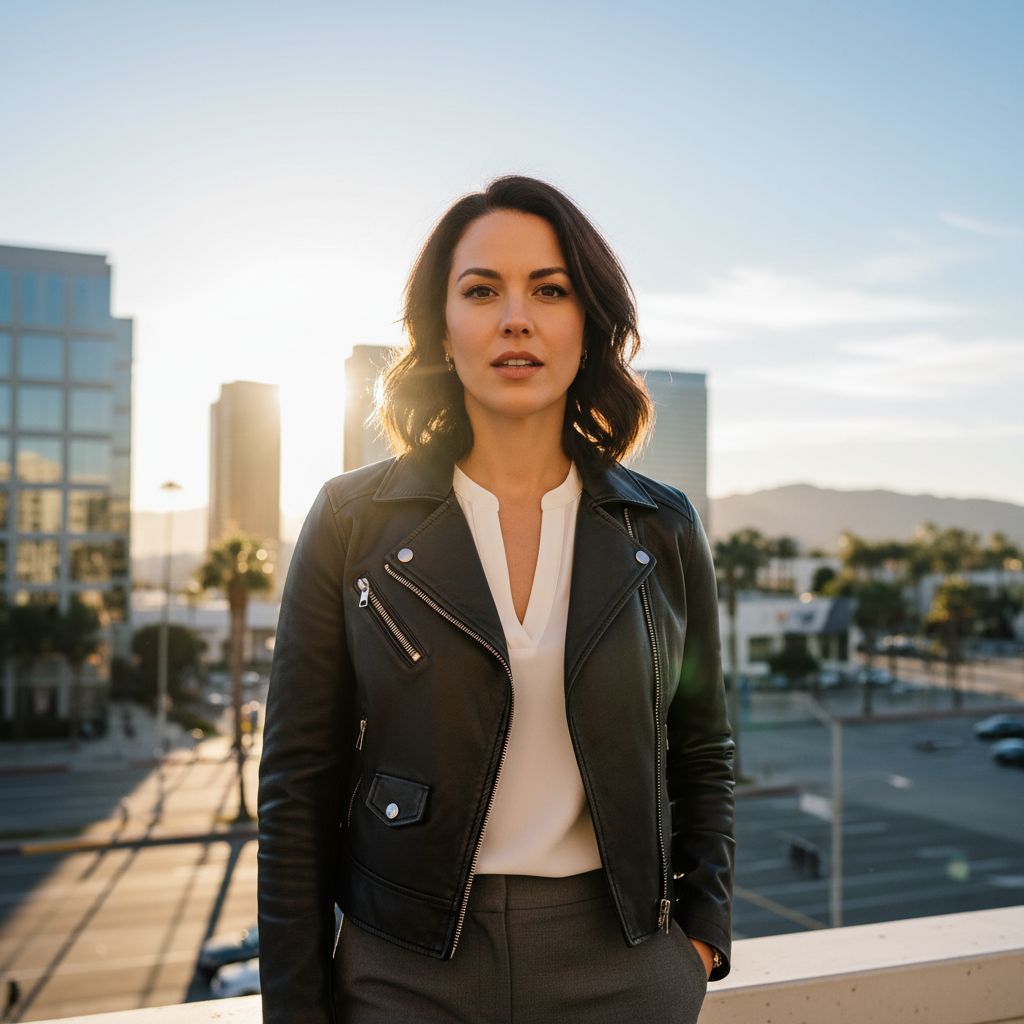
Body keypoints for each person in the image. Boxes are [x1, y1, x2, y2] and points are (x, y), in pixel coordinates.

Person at [258, 175, 735, 1024]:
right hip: (405, 969)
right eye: (482, 291)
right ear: (442, 331)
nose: (516, 318)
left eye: (549, 290)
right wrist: (296, 1008)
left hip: (622, 965)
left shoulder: (662, 526)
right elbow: (298, 781)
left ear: (588, 325)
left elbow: (702, 749)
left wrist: (701, 938)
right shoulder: (350, 519)